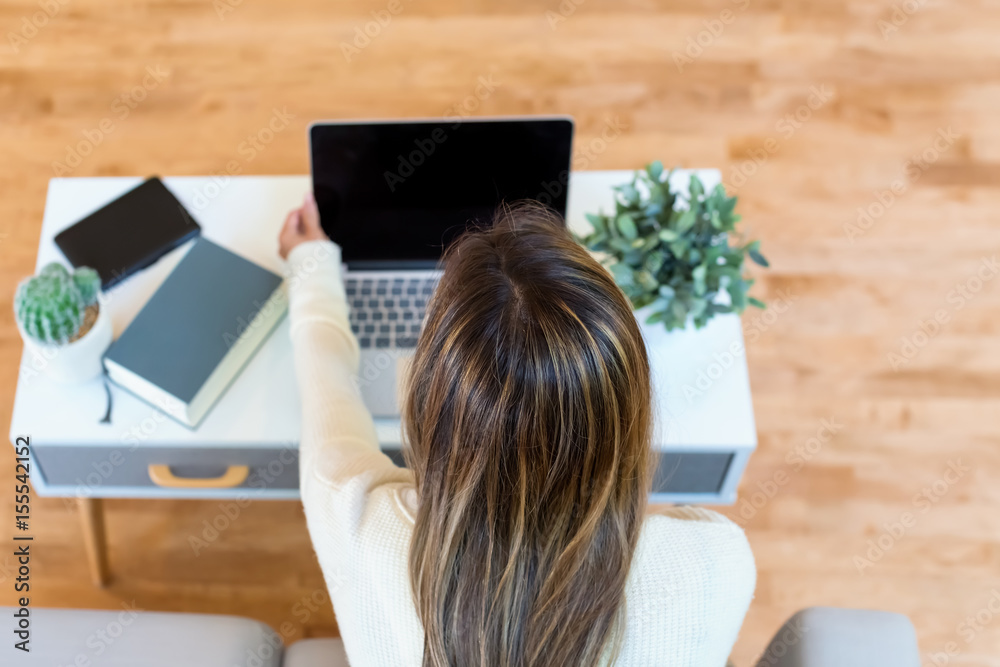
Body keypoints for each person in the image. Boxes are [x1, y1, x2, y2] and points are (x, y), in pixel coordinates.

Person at [278, 193, 756, 667]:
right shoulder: (717, 561)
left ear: (427, 404)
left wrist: (310, 260)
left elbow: (326, 378)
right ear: (630, 412)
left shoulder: (351, 513)